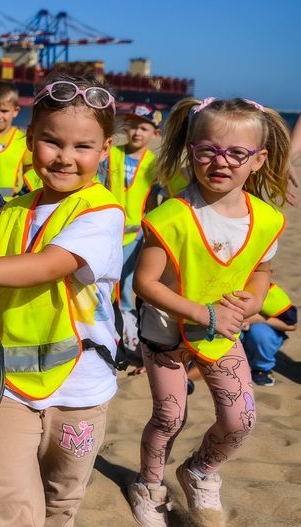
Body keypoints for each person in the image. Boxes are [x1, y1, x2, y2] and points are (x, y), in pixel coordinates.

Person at [0, 74, 125, 527]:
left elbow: (48, 264)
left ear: (105, 149)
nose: (65, 157)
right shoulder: (14, 206)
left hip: (80, 388)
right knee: (4, 498)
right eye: (52, 142)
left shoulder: (102, 213)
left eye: (82, 147)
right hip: (10, 386)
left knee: (61, 497)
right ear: (30, 140)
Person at [127, 97, 289, 526]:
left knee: (241, 418)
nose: (221, 162)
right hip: (165, 332)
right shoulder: (172, 215)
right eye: (207, 150)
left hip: (221, 333)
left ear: (259, 160)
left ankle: (199, 471)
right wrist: (201, 312)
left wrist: (254, 300)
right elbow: (143, 284)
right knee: (169, 416)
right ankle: (149, 485)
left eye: (236, 153)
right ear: (191, 152)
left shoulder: (267, 219)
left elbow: (262, 271)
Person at [104, 103, 163, 353]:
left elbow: (156, 199)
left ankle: (129, 337)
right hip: (108, 230)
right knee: (106, 283)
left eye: (144, 128)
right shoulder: (111, 154)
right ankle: (106, 330)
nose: (137, 133)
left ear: (155, 133)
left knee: (128, 286)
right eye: (132, 126)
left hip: (136, 235)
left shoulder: (154, 164)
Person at [0, 81, 35, 200]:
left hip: (10, 203)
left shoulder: (22, 140)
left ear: (15, 111)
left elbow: (31, 172)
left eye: (4, 111)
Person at [242, 282, 296, 386]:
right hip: (234, 332)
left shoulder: (273, 295)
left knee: (260, 332)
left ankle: (261, 368)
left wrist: (259, 319)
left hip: (260, 336)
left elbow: (292, 326)